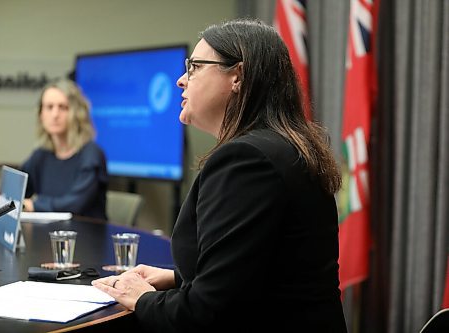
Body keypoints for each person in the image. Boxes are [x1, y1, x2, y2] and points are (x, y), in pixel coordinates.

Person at [92, 18, 347, 332]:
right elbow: (271, 270)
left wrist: (142, 298)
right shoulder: (284, 147)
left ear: (237, 76)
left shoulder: (245, 161)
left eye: (195, 66)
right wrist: (177, 278)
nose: (181, 80)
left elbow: (204, 315)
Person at [0, 79, 108, 220]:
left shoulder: (92, 154)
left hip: (87, 236)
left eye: (63, 107)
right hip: (49, 235)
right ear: (41, 114)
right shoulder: (41, 155)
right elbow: (18, 191)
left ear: (77, 113)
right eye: (49, 107)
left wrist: (32, 205)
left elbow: (75, 204)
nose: (55, 115)